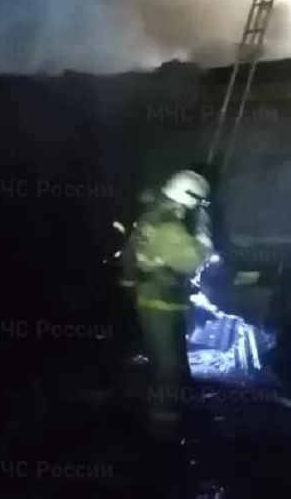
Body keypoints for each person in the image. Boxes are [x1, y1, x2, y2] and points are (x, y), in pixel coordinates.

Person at [121, 169, 213, 435]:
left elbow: (129, 253)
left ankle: (176, 401)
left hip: (152, 299)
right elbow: (191, 260)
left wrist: (130, 281)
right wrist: (204, 233)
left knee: (168, 359)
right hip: (161, 303)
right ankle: (164, 422)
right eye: (197, 203)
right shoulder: (170, 227)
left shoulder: (149, 218)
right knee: (168, 365)